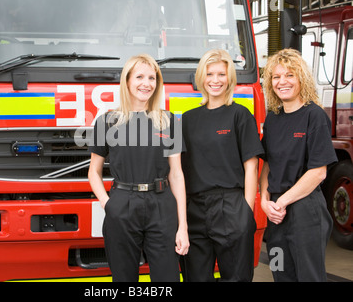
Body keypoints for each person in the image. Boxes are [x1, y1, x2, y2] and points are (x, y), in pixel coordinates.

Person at [88, 54, 189, 282]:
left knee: (168, 279)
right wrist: (108, 204)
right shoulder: (107, 121)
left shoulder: (168, 121)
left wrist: (182, 226)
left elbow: (176, 174)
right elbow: (93, 172)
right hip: (122, 204)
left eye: (152, 78)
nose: (147, 83)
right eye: (140, 77)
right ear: (127, 81)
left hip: (162, 206)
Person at [180, 49, 263, 282]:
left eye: (221, 74)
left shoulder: (240, 115)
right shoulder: (187, 119)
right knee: (195, 277)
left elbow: (251, 166)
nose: (215, 80)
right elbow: (179, 171)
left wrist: (246, 213)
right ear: (201, 77)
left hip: (231, 206)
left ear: (230, 79)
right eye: (209, 74)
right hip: (194, 208)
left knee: (236, 277)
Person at [259, 48, 337, 282]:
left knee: (309, 276)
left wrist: (281, 201)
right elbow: (268, 165)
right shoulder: (273, 117)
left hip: (305, 210)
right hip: (276, 214)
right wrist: (264, 201)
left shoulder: (314, 116)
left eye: (289, 75)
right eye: (276, 76)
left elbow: (318, 172)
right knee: (279, 270)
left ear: (301, 78)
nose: (282, 81)